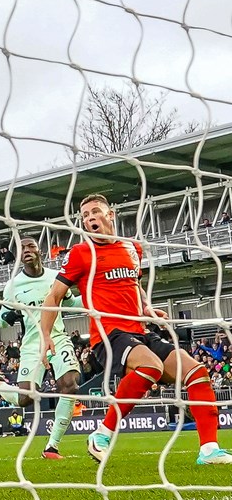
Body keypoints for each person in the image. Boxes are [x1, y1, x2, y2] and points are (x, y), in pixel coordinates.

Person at [40, 194, 231, 466]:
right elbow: (53, 296)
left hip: (140, 331)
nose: (89, 218)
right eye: (84, 215)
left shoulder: (132, 248)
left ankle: (209, 449)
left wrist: (148, 308)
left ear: (111, 215)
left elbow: (133, 284)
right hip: (109, 335)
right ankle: (102, 434)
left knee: (197, 373)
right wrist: (46, 336)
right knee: (150, 366)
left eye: (95, 212)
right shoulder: (82, 253)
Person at [0, 236, 82, 459]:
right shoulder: (13, 286)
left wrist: (94, 297)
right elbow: (0, 319)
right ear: (18, 256)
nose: (26, 250)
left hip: (57, 338)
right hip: (31, 345)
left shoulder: (55, 278)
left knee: (70, 385)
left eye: (31, 246)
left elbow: (71, 303)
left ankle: (52, 447)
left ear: (39, 251)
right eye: (22, 248)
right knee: (26, 398)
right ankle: (0, 386)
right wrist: (7, 316)